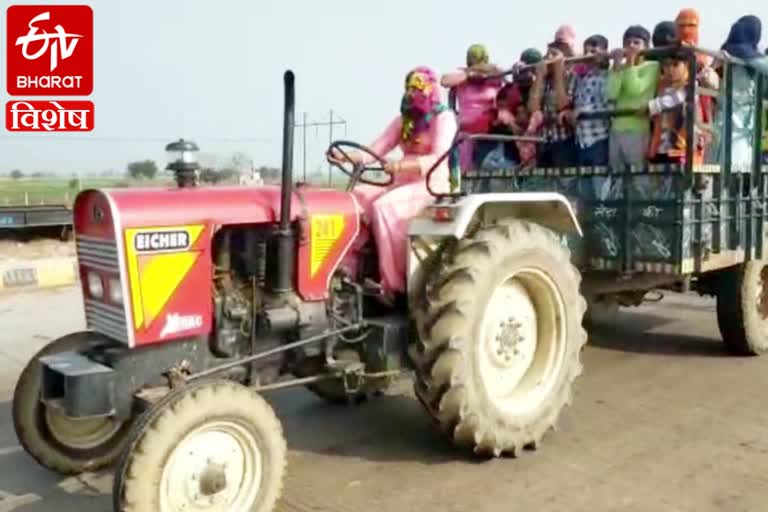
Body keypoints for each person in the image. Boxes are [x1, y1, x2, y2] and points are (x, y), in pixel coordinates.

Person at [329, 66, 457, 299]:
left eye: (418, 87)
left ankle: (392, 285)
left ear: (431, 89)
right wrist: (344, 157)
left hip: (429, 184)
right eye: (410, 87)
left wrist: (399, 166)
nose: (413, 93)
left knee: (384, 207)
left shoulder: (444, 118)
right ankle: (346, 272)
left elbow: (438, 157)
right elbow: (374, 151)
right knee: (355, 199)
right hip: (399, 183)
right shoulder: (403, 121)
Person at [710, 16, 768, 170]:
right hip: (733, 124)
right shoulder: (750, 61)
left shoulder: (727, 57)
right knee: (732, 171)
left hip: (740, 126)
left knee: (732, 169)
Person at [440, 44, 504, 172]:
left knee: (490, 169)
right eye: (472, 59)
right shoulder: (462, 77)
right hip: (466, 134)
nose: (474, 61)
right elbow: (444, 81)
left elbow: (505, 87)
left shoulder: (495, 77)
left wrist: (485, 73)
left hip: (490, 133)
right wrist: (470, 74)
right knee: (464, 172)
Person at [606, 25, 658, 171]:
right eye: (627, 43)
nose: (631, 46)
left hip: (637, 129)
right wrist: (616, 67)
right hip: (616, 129)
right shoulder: (618, 67)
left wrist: (629, 62)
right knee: (616, 178)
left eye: (636, 42)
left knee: (638, 178)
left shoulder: (652, 66)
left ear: (646, 46)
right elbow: (611, 94)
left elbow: (635, 89)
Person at [528, 39, 577, 167]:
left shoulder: (572, 77)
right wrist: (539, 77)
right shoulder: (543, 80)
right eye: (547, 54)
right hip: (544, 141)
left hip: (564, 141)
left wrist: (558, 74)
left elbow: (562, 105)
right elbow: (533, 108)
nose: (547, 58)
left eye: (553, 55)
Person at [571, 34, 611, 166]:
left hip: (599, 138)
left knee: (599, 182)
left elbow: (609, 105)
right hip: (581, 139)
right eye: (586, 52)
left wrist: (582, 111)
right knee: (584, 184)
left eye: (593, 52)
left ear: (604, 52)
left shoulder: (607, 76)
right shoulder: (580, 78)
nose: (588, 55)